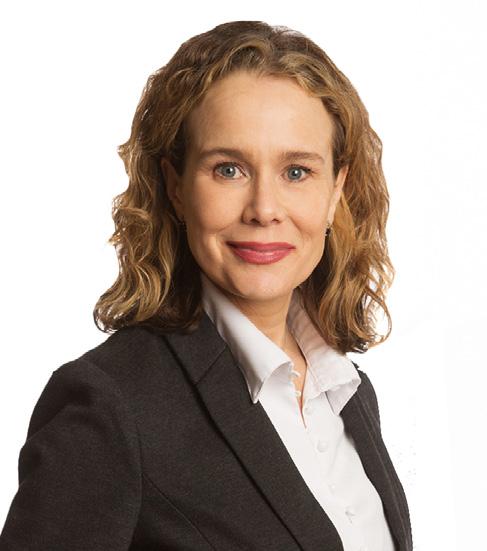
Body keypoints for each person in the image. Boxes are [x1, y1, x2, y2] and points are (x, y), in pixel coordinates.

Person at [0, 20, 413, 551]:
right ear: (175, 186)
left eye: (296, 172)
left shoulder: (346, 390)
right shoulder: (111, 403)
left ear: (337, 189)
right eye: (228, 170)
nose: (264, 209)